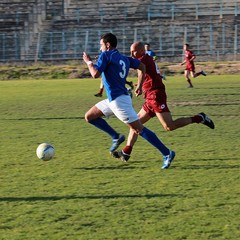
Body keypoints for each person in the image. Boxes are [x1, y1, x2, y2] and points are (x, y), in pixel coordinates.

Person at [111, 41, 214, 169]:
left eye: (134, 51)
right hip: (149, 97)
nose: (131, 53)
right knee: (135, 123)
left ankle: (199, 118)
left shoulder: (144, 59)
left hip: (156, 95)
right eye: (131, 51)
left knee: (169, 126)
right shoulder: (143, 58)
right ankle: (126, 152)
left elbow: (131, 65)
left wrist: (112, 59)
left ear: (142, 51)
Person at [83, 33, 175, 169]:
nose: (100, 48)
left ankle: (167, 153)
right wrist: (139, 84)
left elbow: (95, 74)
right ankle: (116, 136)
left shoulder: (106, 55)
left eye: (101, 45)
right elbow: (142, 67)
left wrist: (89, 62)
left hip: (119, 102)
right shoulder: (123, 58)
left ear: (107, 45)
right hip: (114, 99)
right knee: (89, 116)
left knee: (138, 129)